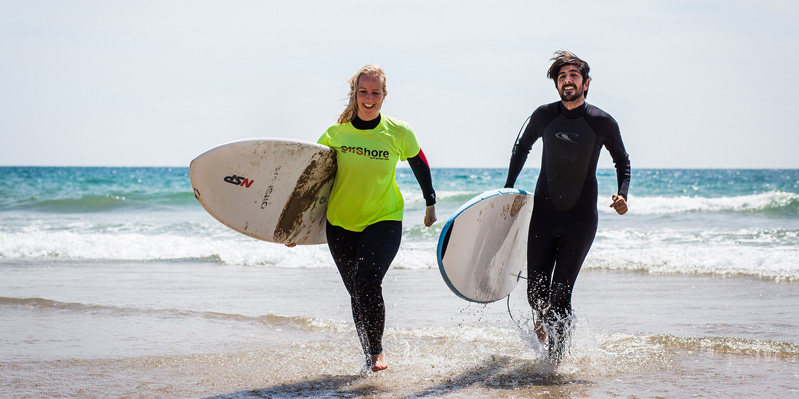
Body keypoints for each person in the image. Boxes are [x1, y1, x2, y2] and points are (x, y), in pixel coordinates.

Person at [504, 51, 631, 361]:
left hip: (581, 219)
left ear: (585, 83)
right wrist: (508, 188)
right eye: (562, 76)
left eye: (573, 75)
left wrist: (622, 193)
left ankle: (555, 364)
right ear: (557, 84)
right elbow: (522, 147)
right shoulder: (544, 115)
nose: (567, 80)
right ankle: (542, 320)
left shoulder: (601, 121)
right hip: (544, 215)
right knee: (536, 293)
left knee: (561, 295)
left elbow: (622, 160)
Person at [317, 64, 437, 372]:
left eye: (375, 92)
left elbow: (419, 161)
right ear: (354, 94)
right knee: (356, 292)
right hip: (340, 223)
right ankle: (369, 353)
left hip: (384, 218)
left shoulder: (398, 131)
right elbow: (313, 181)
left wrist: (430, 202)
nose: (369, 98)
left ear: (384, 95)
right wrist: (294, 226)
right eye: (363, 92)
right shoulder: (335, 134)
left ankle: (376, 353)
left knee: (367, 281)